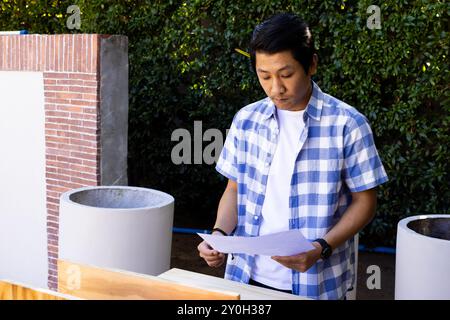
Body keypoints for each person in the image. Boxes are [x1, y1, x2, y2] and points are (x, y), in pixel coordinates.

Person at [197, 12, 388, 300]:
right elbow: (234, 190)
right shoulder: (247, 119)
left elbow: (366, 202)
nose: (276, 88)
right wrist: (219, 235)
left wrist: (321, 247)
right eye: (265, 76)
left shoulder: (348, 124)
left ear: (311, 64)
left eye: (286, 75)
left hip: (316, 283)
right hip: (245, 277)